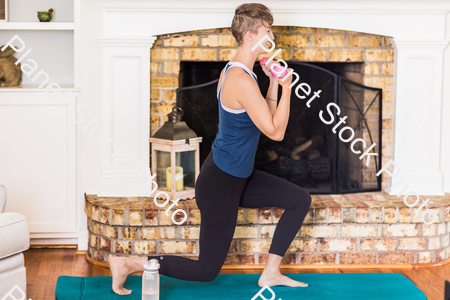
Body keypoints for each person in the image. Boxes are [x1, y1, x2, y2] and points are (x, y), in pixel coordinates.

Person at [108, 3, 312, 295]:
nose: (272, 37)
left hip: (234, 176)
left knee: (299, 199)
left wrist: (274, 84)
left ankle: (270, 273)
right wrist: (289, 87)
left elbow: (263, 117)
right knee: (206, 271)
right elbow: (276, 132)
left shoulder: (241, 71)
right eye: (268, 31)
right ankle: (130, 263)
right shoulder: (240, 79)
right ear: (251, 36)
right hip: (221, 183)